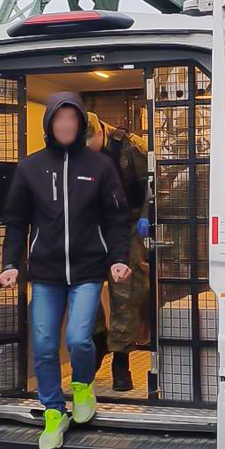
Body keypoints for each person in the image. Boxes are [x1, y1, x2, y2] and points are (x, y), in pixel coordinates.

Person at [0, 92, 131, 449]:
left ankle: (83, 386)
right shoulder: (30, 167)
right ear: (50, 123)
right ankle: (54, 412)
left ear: (82, 123)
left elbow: (117, 218)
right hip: (45, 273)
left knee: (78, 339)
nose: (66, 125)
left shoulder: (100, 166)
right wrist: (10, 264)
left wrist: (119, 258)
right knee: (44, 345)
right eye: (59, 118)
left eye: (72, 118)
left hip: (88, 271)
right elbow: (16, 222)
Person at [86, 112, 151, 391]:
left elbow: (151, 186)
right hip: (92, 228)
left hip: (128, 226)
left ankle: (121, 361)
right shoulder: (71, 150)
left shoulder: (131, 147)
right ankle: (98, 338)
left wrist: (146, 217)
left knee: (126, 293)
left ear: (100, 132)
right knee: (84, 288)